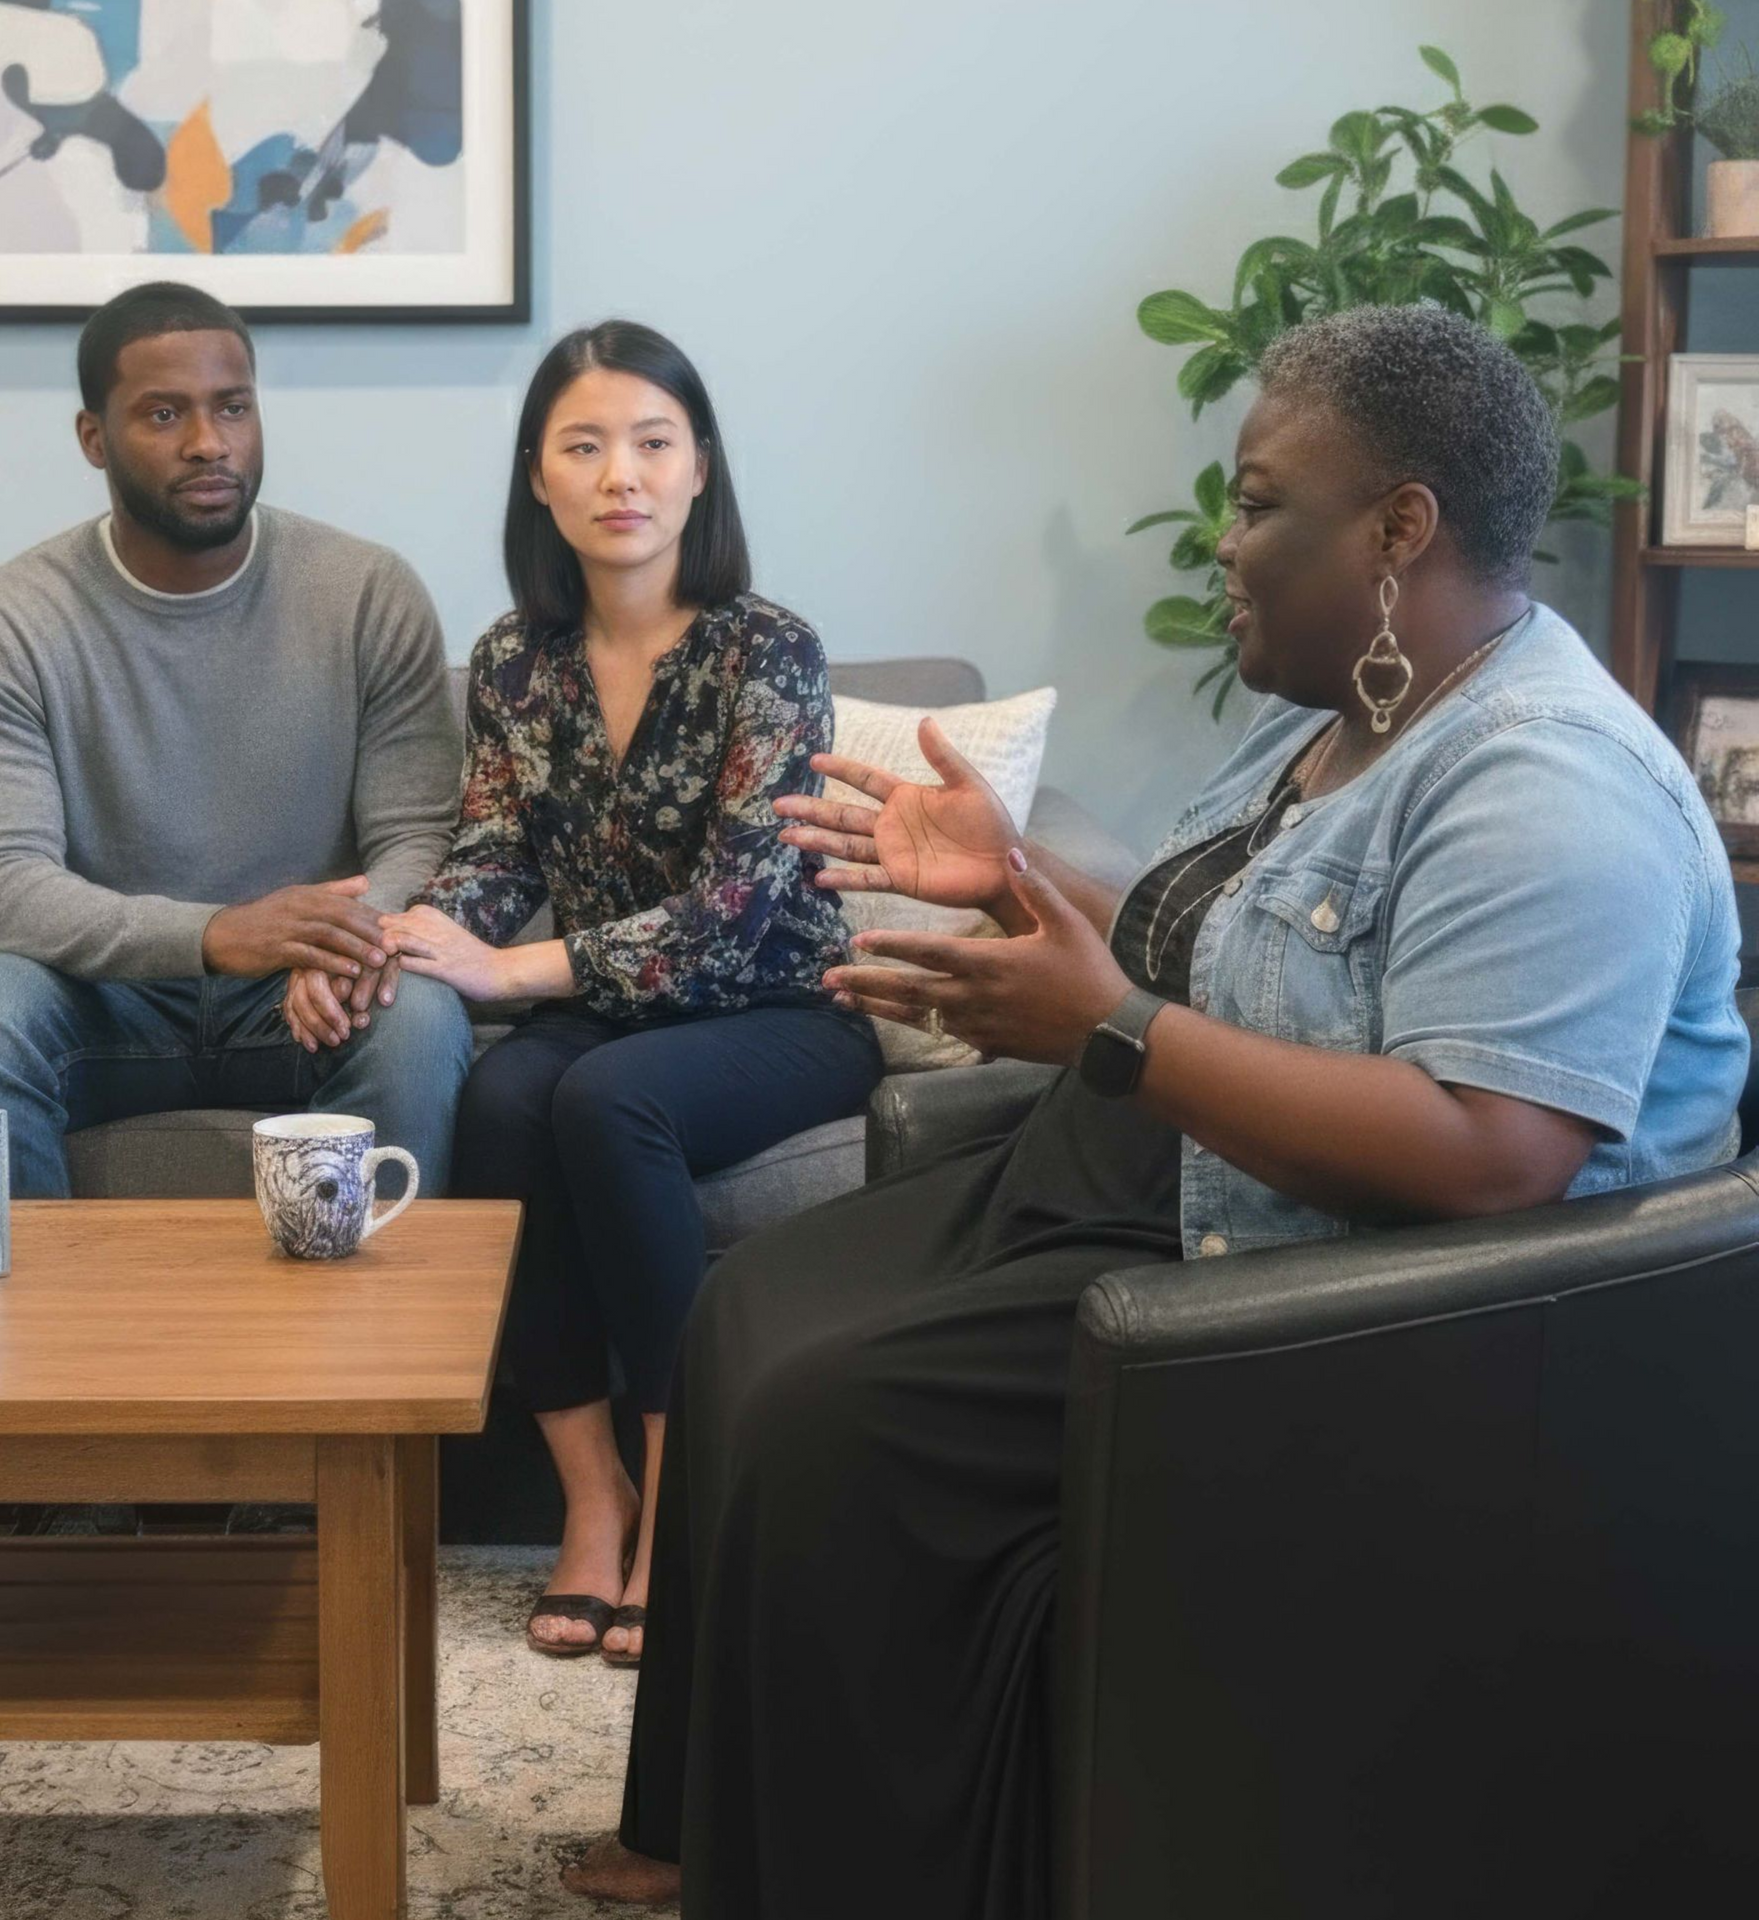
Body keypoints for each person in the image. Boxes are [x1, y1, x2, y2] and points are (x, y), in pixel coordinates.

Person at [564, 303, 1750, 1914]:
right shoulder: (1352, 709)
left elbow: (1494, 1160)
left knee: (827, 1419)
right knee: (747, 1312)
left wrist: (1110, 1032)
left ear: (1401, 529)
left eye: (1261, 503)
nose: (1226, 537)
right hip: (1154, 1176)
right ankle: (708, 1829)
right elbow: (1218, 929)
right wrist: (1012, 876)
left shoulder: (1550, 783)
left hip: (1314, 1290)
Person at [377, 321, 883, 1666]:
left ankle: (678, 1507)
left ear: (700, 469)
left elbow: (731, 919)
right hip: (607, 1007)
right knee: (498, 1101)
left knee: (601, 1102)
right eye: (584, 446)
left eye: (653, 443)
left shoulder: (769, 652)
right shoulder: (510, 661)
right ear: (539, 481)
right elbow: (492, 851)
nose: (623, 475)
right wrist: (413, 939)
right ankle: (589, 1501)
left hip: (780, 1008)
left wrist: (517, 968)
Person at [0, 280, 470, 1199]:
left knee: (418, 1012)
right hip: (104, 1003)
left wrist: (348, 943)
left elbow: (420, 833)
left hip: (308, 1001)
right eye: (164, 413)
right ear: (93, 438)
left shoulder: (366, 591)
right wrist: (220, 933)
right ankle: (21, 1337)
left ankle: (391, 1335)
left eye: (233, 408)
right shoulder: (6, 621)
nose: (208, 442)